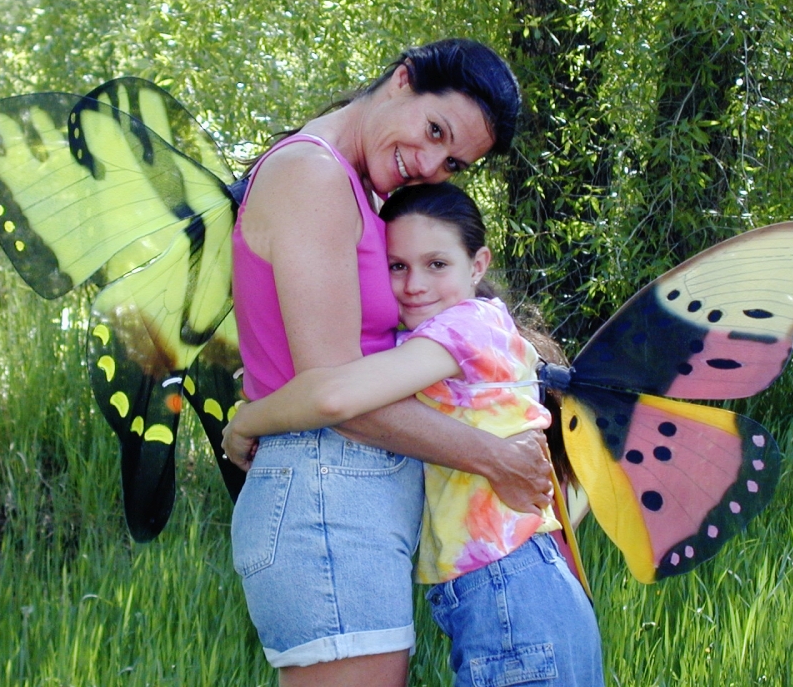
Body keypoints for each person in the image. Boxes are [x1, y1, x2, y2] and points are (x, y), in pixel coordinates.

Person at [225, 38, 555, 687]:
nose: (430, 165)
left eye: (453, 163)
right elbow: (336, 397)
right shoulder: (314, 174)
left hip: (343, 496)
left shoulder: (351, 184)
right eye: (435, 130)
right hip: (325, 490)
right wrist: (494, 458)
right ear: (403, 80)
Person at [226, 182, 604, 686]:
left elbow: (337, 396)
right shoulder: (463, 331)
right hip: (515, 583)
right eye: (397, 266)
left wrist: (247, 420)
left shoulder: (463, 328)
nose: (414, 285)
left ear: (478, 265)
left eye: (437, 264)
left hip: (510, 589)